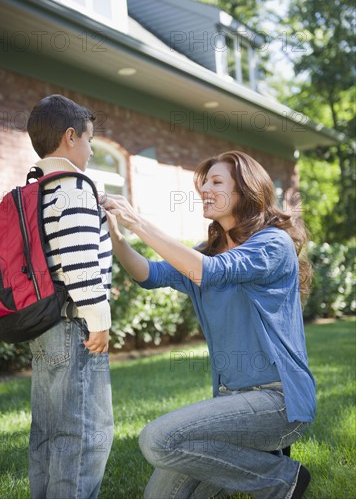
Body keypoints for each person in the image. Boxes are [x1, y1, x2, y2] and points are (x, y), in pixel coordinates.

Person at [103, 150, 315, 499]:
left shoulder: (272, 243)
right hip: (230, 401)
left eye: (217, 182)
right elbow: (149, 274)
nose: (205, 189)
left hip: (278, 402)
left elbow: (209, 271)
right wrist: (116, 234)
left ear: (246, 190)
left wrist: (136, 220)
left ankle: (281, 479)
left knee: (157, 439)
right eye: (204, 183)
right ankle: (258, 460)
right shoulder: (208, 253)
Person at [26, 94, 114, 499]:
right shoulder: (75, 187)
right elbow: (80, 265)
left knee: (48, 432)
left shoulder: (36, 189)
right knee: (85, 434)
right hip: (75, 325)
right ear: (69, 137)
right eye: (90, 139)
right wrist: (99, 319)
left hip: (44, 327)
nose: (93, 148)